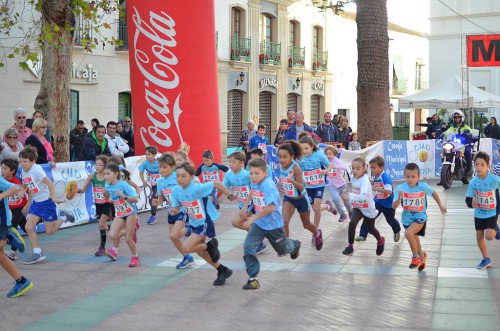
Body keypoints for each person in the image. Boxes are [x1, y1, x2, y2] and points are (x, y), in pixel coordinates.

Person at [233, 158, 301, 290]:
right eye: (251, 173)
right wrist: (245, 206)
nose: (253, 176)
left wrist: (252, 218)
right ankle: (253, 279)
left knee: (282, 250)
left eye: (256, 173)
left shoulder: (268, 185)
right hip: (259, 225)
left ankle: (295, 245)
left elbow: (270, 208)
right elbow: (252, 192)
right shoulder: (254, 182)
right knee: (248, 246)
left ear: (265, 173)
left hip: (274, 226)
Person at [170, 162, 234, 286]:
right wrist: (174, 210)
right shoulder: (176, 190)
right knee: (200, 252)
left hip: (203, 223)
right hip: (192, 223)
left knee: (186, 248)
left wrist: (229, 195)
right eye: (177, 176)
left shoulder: (196, 188)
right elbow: (176, 207)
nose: (179, 179)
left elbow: (217, 183)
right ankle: (222, 270)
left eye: (183, 176)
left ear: (191, 176)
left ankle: (210, 246)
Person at [19, 146, 75, 264]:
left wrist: (54, 197)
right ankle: (37, 252)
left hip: (46, 203)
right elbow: (25, 183)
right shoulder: (24, 170)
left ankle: (64, 217)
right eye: (21, 161)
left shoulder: (37, 169)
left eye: (25, 161)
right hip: (36, 203)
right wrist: (22, 192)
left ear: (33, 161)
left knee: (49, 232)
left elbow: (49, 183)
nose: (22, 164)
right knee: (28, 227)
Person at [393, 163, 447, 270]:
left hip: (420, 218)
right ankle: (422, 256)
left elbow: (434, 193)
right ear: (404, 176)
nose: (410, 179)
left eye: (413, 177)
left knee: (408, 233)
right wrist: (399, 199)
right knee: (415, 239)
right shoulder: (400, 188)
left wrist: (440, 205)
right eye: (408, 176)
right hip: (407, 219)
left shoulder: (422, 186)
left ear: (418, 176)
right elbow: (393, 207)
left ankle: (415, 257)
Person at [278, 141, 323, 250]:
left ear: (291, 156)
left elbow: (302, 187)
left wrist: (290, 181)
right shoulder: (281, 166)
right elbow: (282, 178)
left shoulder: (295, 167)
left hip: (301, 199)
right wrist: (280, 183)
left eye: (285, 157)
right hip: (289, 198)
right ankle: (286, 246)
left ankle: (317, 233)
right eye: (280, 157)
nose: (282, 160)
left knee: (306, 225)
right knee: (284, 221)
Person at [152, 152, 194, 269]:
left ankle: (189, 228)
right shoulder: (160, 182)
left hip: (182, 211)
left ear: (172, 167)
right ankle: (187, 257)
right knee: (174, 237)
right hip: (171, 212)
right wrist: (157, 202)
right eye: (160, 167)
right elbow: (161, 198)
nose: (161, 169)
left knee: (174, 236)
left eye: (164, 167)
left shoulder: (177, 178)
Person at [342, 157, 385, 256]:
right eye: (353, 168)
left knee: (371, 229)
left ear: (364, 169)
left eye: (358, 168)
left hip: (367, 208)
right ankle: (350, 246)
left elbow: (363, 196)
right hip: (358, 207)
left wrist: (349, 196)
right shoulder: (353, 176)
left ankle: (380, 240)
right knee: (352, 223)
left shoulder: (365, 180)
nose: (354, 170)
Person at [298, 135, 337, 246]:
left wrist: (326, 171)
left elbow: (330, 166)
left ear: (312, 146)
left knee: (315, 208)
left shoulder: (319, 154)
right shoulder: (301, 158)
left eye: (306, 148)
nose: (304, 151)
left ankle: (315, 233)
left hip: (319, 185)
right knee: (316, 208)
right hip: (309, 187)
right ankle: (328, 206)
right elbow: (300, 172)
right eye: (302, 149)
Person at [465, 152, 500, 270]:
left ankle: (496, 229)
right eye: (476, 165)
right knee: (479, 236)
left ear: (488, 166)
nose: (479, 167)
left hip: (492, 211)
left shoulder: (494, 179)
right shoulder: (473, 182)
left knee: (489, 236)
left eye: (482, 165)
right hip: (479, 213)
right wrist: (471, 203)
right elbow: (468, 199)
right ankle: (486, 259)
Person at [0, 176, 33, 298]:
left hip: (1, 221)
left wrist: (1, 196)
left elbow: (13, 189)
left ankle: (9, 238)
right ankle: (21, 281)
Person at [356, 156, 401, 242]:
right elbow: (377, 183)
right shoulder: (376, 175)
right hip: (378, 202)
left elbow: (389, 191)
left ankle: (397, 231)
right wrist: (372, 182)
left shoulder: (385, 177)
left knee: (391, 220)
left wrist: (375, 188)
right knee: (369, 216)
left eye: (374, 168)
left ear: (381, 167)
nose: (372, 170)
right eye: (371, 167)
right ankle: (362, 235)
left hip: (388, 204)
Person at [104, 162, 141, 267]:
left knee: (128, 238)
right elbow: (110, 197)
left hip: (130, 213)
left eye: (108, 174)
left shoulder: (123, 185)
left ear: (116, 174)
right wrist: (110, 198)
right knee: (112, 235)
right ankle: (129, 230)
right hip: (120, 213)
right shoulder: (107, 185)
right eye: (105, 174)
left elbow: (136, 199)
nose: (105, 176)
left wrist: (124, 196)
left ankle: (135, 257)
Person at [76, 155, 112, 257]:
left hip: (106, 203)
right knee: (102, 225)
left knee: (101, 224)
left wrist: (107, 193)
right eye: (96, 164)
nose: (97, 166)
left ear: (105, 166)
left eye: (100, 165)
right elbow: (83, 189)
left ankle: (102, 247)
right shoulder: (92, 176)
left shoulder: (107, 177)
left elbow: (112, 189)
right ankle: (110, 228)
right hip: (97, 204)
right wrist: (80, 190)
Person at [2, 158, 29, 261]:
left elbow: (27, 189)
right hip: (10, 208)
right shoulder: (2, 180)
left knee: (12, 228)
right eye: (2, 168)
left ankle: (13, 252)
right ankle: (36, 244)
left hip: (19, 207)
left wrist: (26, 206)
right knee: (27, 228)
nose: (2, 170)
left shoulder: (17, 180)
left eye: (5, 169)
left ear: (12, 171)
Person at [324, 146, 352, 223]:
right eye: (327, 154)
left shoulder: (336, 161)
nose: (328, 156)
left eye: (330, 154)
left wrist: (336, 166)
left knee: (346, 200)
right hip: (331, 184)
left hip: (341, 184)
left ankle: (350, 212)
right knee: (335, 199)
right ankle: (342, 214)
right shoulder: (325, 161)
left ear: (334, 154)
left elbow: (345, 167)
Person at [139, 146, 160, 225]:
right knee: (154, 199)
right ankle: (153, 216)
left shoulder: (158, 163)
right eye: (146, 154)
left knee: (153, 199)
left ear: (154, 155)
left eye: (149, 154)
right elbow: (141, 172)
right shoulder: (145, 163)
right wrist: (143, 181)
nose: (147, 156)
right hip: (153, 184)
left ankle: (153, 216)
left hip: (160, 184)